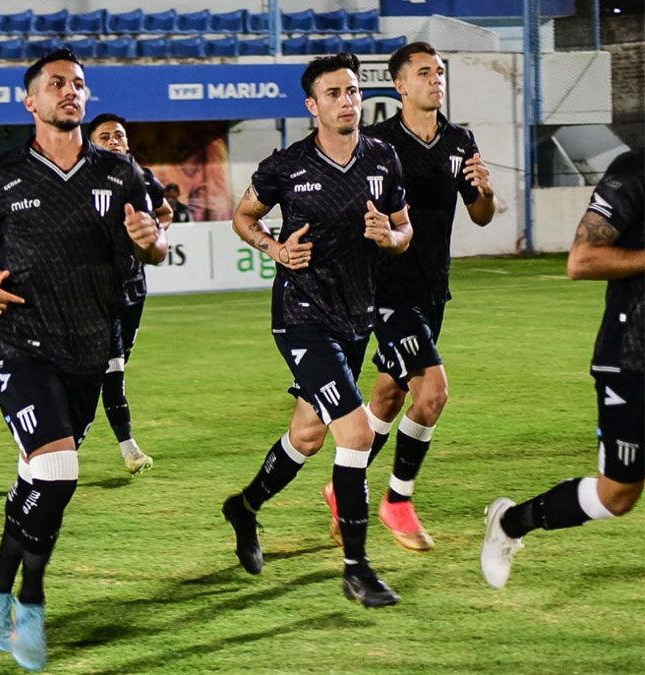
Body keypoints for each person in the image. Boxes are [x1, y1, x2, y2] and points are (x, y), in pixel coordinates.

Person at [0, 49, 167, 671]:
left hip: (89, 347)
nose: (69, 91)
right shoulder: (2, 174)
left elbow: (153, 245)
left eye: (77, 83)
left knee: (41, 483)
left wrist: (151, 244)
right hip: (19, 343)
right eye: (55, 84)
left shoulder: (119, 172)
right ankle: (31, 602)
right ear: (31, 101)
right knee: (59, 470)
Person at [221, 53, 412, 607]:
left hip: (356, 318)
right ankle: (357, 569)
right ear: (313, 105)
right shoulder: (287, 166)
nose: (347, 101)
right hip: (301, 318)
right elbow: (243, 217)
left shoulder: (383, 158)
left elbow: (405, 231)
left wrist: (390, 237)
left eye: (352, 91)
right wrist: (275, 248)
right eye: (333, 93)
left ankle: (244, 507)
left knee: (306, 436)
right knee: (356, 434)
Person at [322, 42, 499, 552]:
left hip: (432, 288)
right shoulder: (376, 142)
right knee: (433, 393)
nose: (435, 79)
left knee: (389, 396)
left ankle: (342, 487)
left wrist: (486, 192)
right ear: (400, 85)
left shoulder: (460, 140)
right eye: (424, 72)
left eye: (439, 71)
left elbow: (480, 215)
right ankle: (397, 500)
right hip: (385, 289)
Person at [481, 148, 642, 589]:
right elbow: (581, 259)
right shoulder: (633, 173)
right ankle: (511, 523)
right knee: (616, 496)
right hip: (631, 360)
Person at [88, 112, 175, 474]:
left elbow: (165, 211)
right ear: (91, 144)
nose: (114, 141)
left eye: (119, 135)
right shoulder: (81, 180)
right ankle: (130, 449)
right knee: (114, 370)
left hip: (134, 289)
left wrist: (153, 234)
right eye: (105, 136)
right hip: (96, 292)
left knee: (111, 367)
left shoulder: (141, 177)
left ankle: (72, 431)